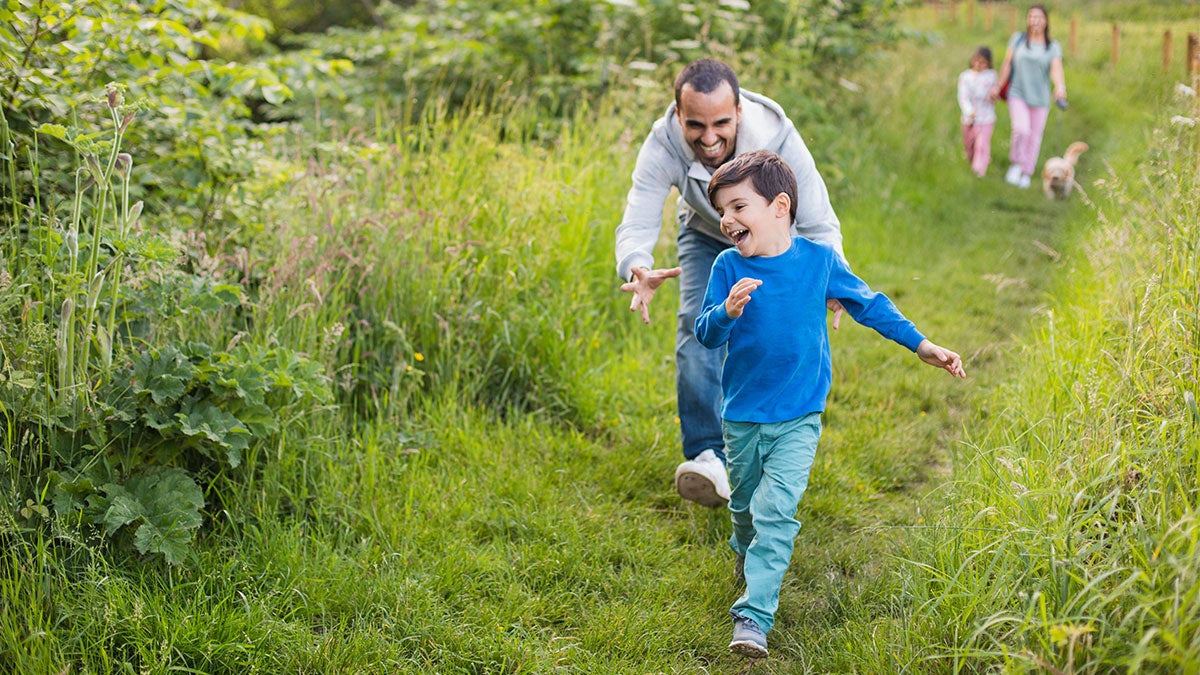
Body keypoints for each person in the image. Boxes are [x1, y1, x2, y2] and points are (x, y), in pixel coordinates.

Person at [694, 150, 966, 658]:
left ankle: (753, 617)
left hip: (799, 414)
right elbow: (705, 335)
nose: (727, 220)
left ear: (779, 207)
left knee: (776, 509)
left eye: (737, 206)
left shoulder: (819, 262)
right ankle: (745, 548)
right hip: (742, 414)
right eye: (722, 211)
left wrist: (922, 344)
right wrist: (727, 312)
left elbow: (870, 303)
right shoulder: (727, 266)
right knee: (746, 505)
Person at [615, 58, 844, 508]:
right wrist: (637, 265)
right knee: (696, 323)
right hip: (705, 236)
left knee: (771, 336)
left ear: (738, 111)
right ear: (679, 115)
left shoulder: (777, 136)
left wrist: (833, 278)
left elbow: (816, 217)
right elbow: (640, 209)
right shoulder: (663, 141)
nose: (709, 136)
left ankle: (777, 446)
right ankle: (707, 456)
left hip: (778, 244)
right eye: (695, 124)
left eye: (721, 122)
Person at [989, 3, 1068, 189]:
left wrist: (1060, 87)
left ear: (1046, 21)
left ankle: (1026, 172)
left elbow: (1056, 69)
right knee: (1021, 129)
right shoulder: (1018, 40)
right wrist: (998, 85)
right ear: (1027, 20)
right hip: (1017, 93)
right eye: (1032, 17)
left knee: (1034, 137)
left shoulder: (1053, 47)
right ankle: (1016, 164)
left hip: (1041, 99)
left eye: (1039, 17)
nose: (1035, 21)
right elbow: (1007, 64)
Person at [957, 46, 998, 178]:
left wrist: (994, 96)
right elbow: (963, 96)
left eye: (983, 62)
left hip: (986, 118)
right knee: (969, 145)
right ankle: (974, 161)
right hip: (969, 118)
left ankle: (979, 170)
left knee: (982, 144)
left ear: (988, 64)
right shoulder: (965, 76)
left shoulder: (991, 76)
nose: (979, 65)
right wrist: (968, 111)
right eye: (977, 61)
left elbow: (994, 93)